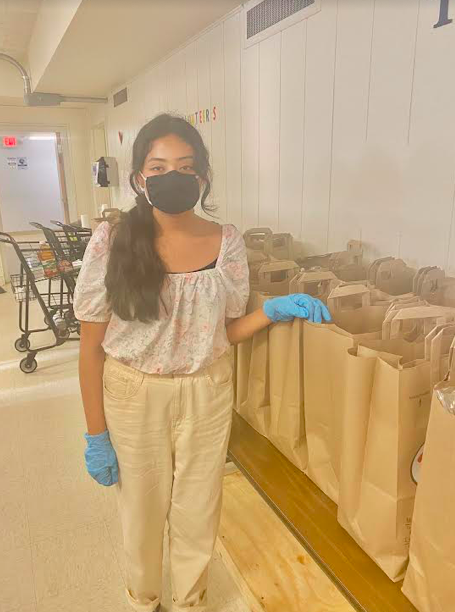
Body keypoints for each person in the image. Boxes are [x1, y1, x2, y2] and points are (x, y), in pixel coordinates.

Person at [74, 113, 331, 612]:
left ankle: (190, 602)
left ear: (203, 177)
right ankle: (144, 600)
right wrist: (95, 433)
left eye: (185, 167)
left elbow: (220, 333)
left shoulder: (226, 240)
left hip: (207, 391)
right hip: (134, 392)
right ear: (139, 178)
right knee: (142, 512)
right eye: (158, 167)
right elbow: (90, 346)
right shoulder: (113, 240)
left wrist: (271, 311)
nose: (172, 176)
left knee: (198, 508)